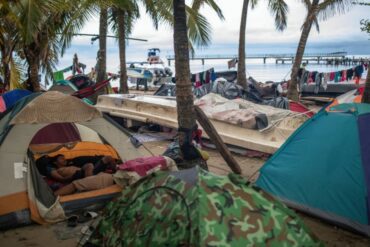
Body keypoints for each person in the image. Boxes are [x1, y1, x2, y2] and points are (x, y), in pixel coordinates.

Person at [47, 154, 117, 183]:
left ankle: (117, 171)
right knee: (89, 165)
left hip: (85, 173)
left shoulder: (70, 165)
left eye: (64, 158)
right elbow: (62, 179)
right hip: (78, 176)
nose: (64, 159)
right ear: (55, 162)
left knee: (108, 157)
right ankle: (89, 184)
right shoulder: (55, 170)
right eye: (61, 159)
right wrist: (72, 177)